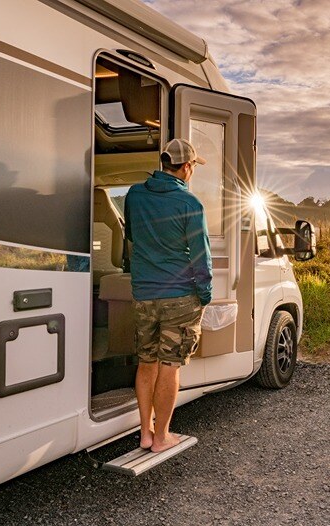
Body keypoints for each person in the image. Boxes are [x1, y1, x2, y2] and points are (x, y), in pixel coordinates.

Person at [124, 138, 212, 453]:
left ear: (163, 164)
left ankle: (145, 433)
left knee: (146, 362)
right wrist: (204, 294)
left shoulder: (135, 195)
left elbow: (131, 235)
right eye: (193, 167)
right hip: (179, 297)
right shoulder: (190, 203)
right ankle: (161, 437)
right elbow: (201, 256)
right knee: (169, 365)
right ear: (187, 167)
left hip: (144, 294)